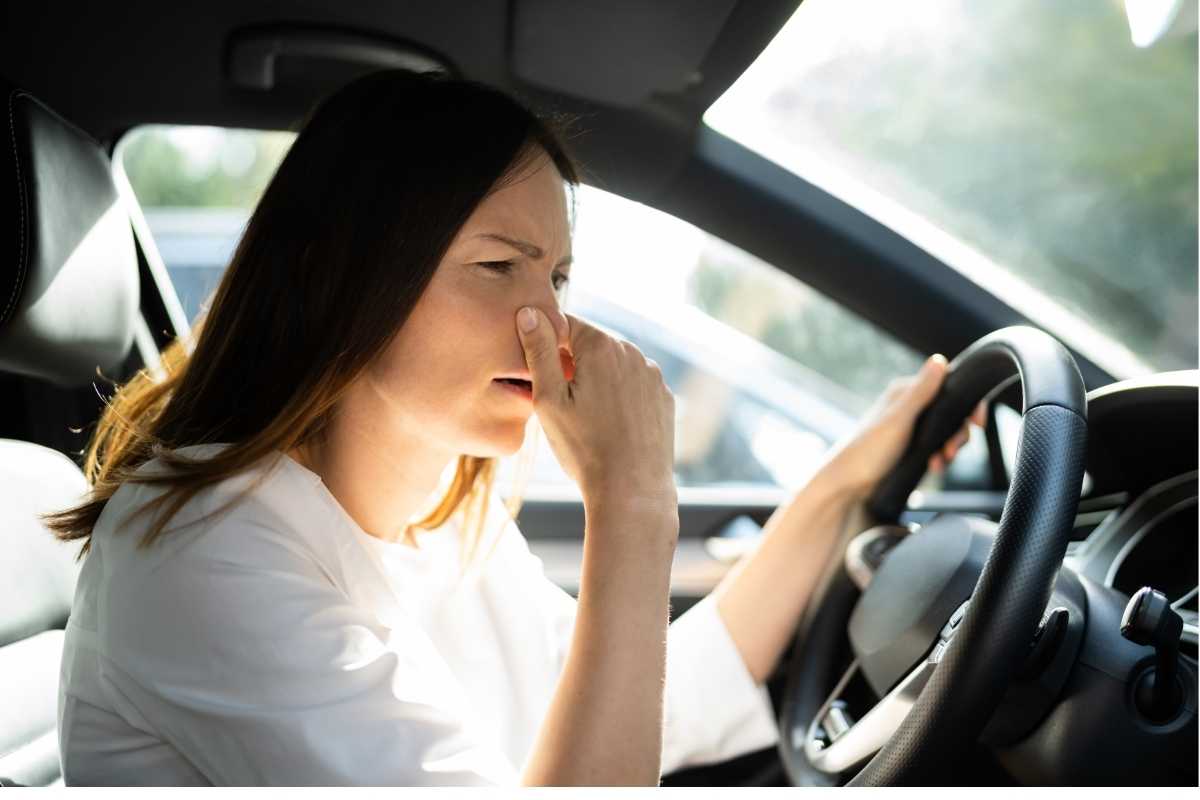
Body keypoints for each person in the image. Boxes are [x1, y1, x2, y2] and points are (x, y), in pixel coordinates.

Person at [47, 69, 984, 786]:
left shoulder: (447, 512)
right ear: (348, 279)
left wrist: (844, 483)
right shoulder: (202, 551)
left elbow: (656, 703)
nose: (552, 329)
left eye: (558, 279)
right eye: (500, 267)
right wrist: (631, 501)